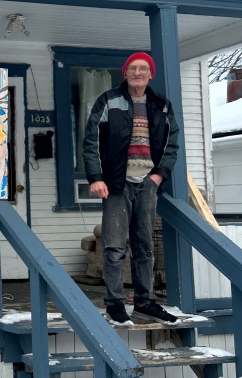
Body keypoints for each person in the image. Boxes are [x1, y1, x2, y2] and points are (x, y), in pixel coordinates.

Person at [82, 52, 180, 324]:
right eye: (132, 68)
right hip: (116, 183)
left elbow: (172, 145)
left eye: (143, 69)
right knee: (113, 246)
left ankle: (145, 302)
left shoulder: (162, 105)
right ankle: (114, 303)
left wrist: (159, 176)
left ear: (151, 74)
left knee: (144, 246)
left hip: (148, 183)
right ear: (125, 73)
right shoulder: (108, 100)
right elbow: (90, 142)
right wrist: (95, 177)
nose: (138, 73)